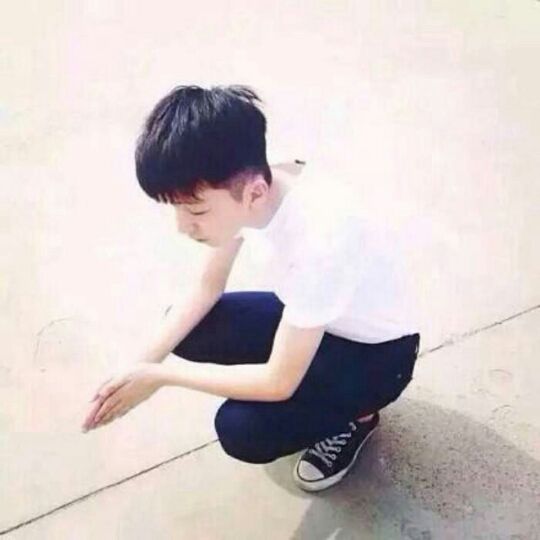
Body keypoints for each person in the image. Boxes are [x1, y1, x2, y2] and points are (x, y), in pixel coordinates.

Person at [82, 84, 421, 493]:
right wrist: (131, 372)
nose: (182, 227)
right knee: (188, 328)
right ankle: (321, 400)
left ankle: (358, 417)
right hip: (321, 318)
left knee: (241, 430)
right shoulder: (254, 179)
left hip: (379, 355)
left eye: (196, 211)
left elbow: (278, 382)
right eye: (177, 209)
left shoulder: (320, 242)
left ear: (255, 192)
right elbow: (206, 288)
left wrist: (161, 376)